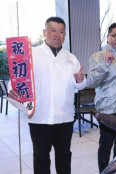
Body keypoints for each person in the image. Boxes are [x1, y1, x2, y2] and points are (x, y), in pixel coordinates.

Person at [8, 16, 86, 174]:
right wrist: (12, 89)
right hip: (39, 117)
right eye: (53, 30)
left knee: (64, 155)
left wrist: (81, 79)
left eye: (61, 31)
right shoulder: (30, 54)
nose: (57, 34)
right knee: (41, 156)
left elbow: (80, 85)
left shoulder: (71, 58)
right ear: (44, 32)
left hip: (65, 118)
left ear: (65, 35)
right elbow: (15, 79)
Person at [86, 22, 116, 173]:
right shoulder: (99, 56)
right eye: (114, 35)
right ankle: (104, 171)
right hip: (109, 109)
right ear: (107, 37)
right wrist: (105, 64)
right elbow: (91, 81)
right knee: (106, 145)